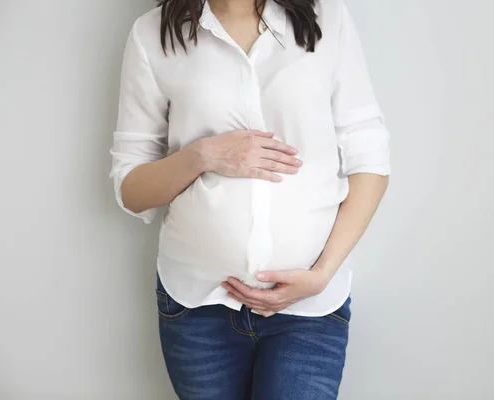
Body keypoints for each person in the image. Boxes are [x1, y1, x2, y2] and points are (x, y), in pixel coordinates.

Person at [110, 0, 390, 398]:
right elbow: (131, 189)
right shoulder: (153, 35)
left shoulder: (327, 17)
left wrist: (322, 274)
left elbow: (371, 157)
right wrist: (202, 155)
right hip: (197, 308)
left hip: (309, 308)